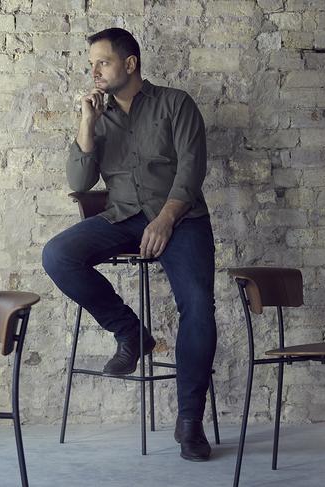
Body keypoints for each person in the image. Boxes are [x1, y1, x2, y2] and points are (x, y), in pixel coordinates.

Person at [42, 27, 216, 461]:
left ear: (130, 64)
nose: (94, 71)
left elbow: (191, 172)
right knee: (58, 255)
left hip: (181, 218)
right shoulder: (99, 118)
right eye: (92, 64)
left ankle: (191, 423)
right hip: (121, 218)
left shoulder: (176, 104)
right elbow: (80, 183)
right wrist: (86, 121)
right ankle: (131, 334)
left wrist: (164, 220)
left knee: (198, 305)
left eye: (102, 62)